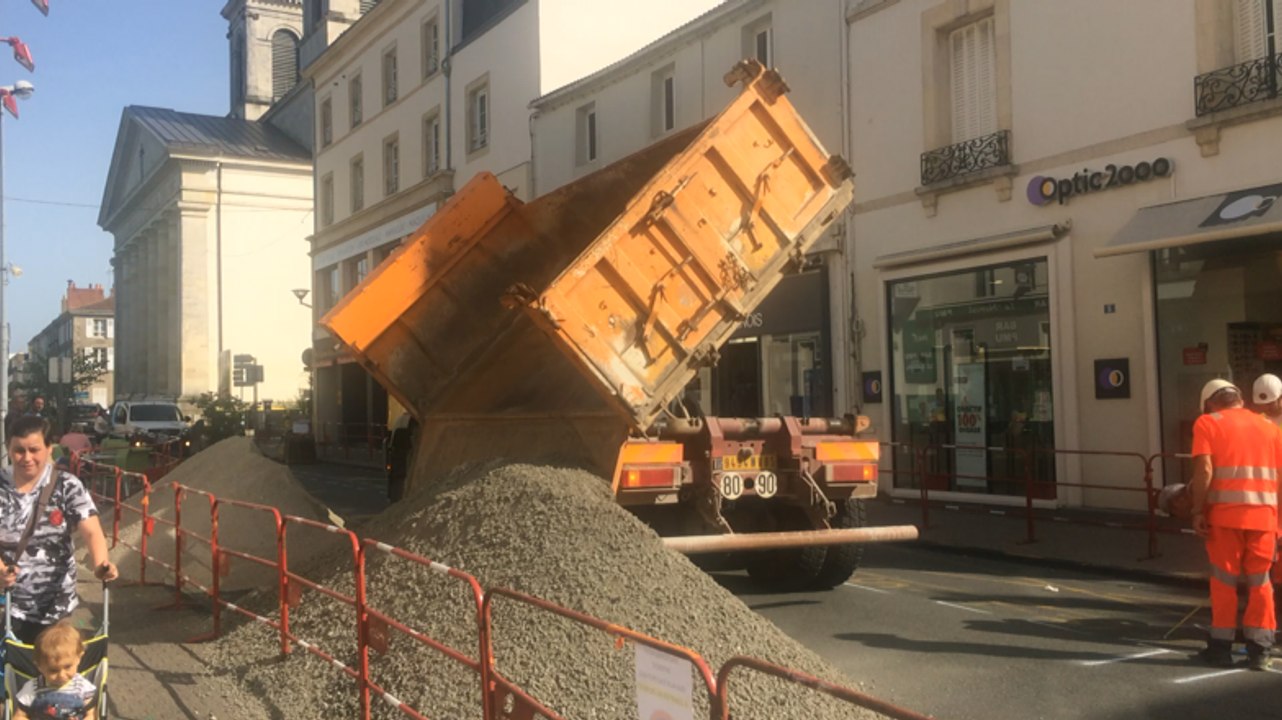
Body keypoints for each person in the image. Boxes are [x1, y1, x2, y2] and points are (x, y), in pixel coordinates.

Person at [1188, 378, 1281, 671]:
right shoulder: (1270, 428)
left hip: (1224, 518)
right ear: (1238, 398)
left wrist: (1197, 510)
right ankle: (1260, 649)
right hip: (1265, 517)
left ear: (1210, 402)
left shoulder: (1207, 423)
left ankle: (1220, 648)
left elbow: (1204, 470)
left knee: (1224, 582)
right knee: (1261, 583)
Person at [0, 416, 118, 644]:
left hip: (55, 604)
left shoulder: (67, 485)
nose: (27, 458)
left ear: (49, 449)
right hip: (7, 602)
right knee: (11, 672)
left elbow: (92, 530)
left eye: (34, 450)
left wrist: (101, 566)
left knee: (51, 672)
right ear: (8, 448)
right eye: (18, 451)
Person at [12, 620, 98, 720]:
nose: (61, 675)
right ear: (39, 666)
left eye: (67, 667)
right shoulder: (33, 688)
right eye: (53, 671)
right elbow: (20, 715)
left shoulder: (83, 687)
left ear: (79, 658)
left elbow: (91, 715)